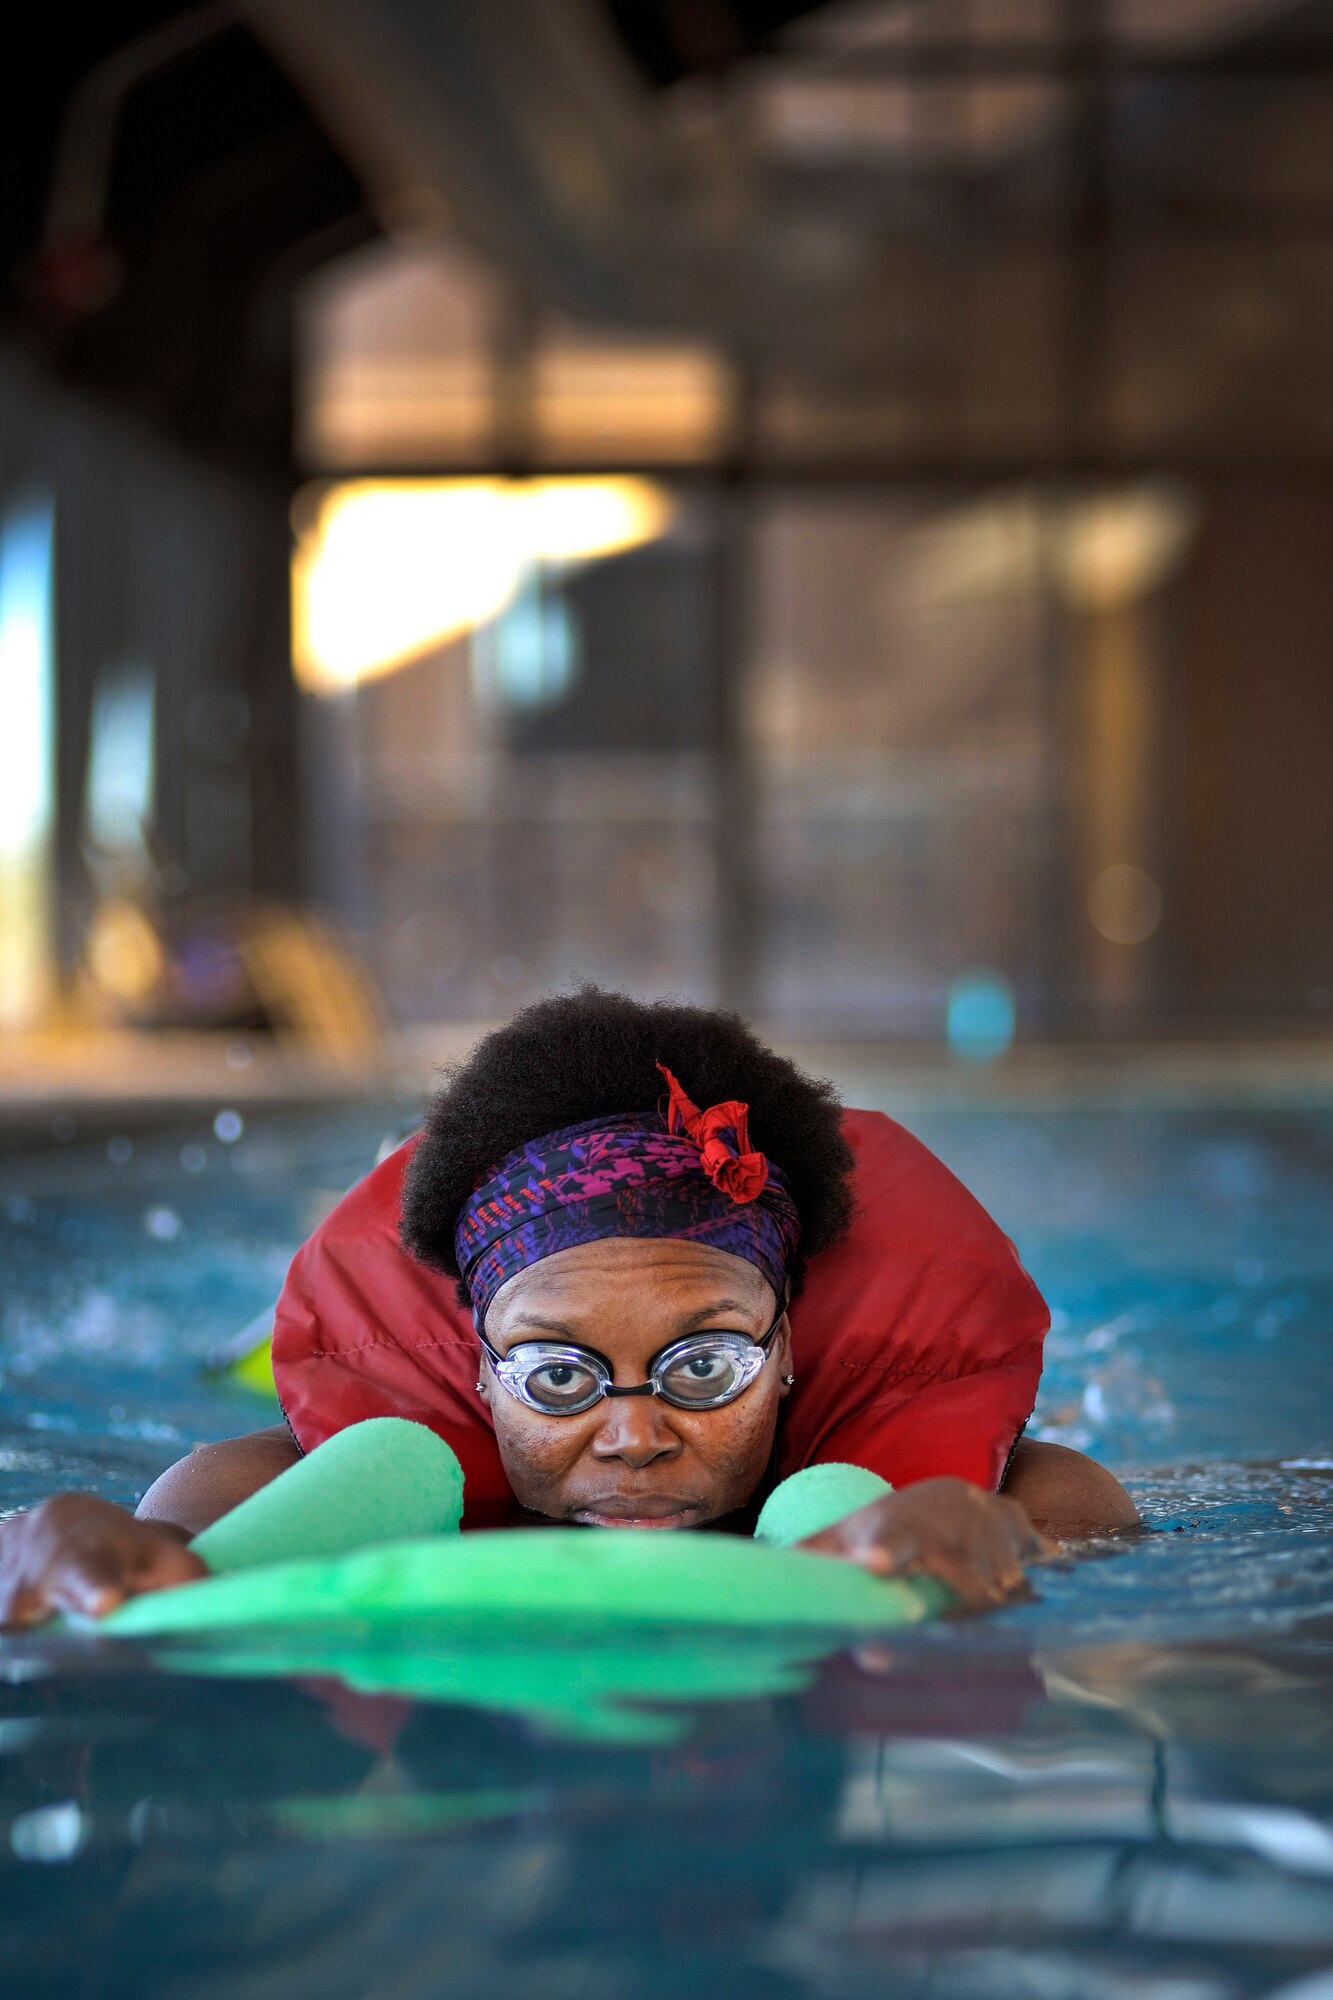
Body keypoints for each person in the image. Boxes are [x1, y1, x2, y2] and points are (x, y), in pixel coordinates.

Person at [0, 990, 1137, 1628]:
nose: (634, 1436)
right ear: (477, 1370)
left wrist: (999, 1557)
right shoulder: (251, 1492)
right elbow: (137, 1568)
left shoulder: (1008, 1494)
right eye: (557, 1377)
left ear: (787, 1347)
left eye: (705, 1367)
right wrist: (69, 1552)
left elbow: (1084, 1571)